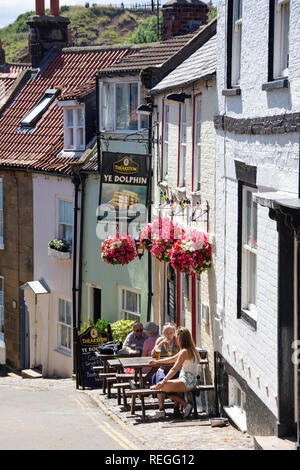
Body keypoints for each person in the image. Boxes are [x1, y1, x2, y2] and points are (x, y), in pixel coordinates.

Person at [149, 327, 200, 419]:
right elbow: (172, 359)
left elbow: (174, 369)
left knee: (162, 387)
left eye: (177, 337)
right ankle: (185, 405)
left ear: (180, 339)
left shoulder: (184, 352)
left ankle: (186, 405)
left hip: (187, 382)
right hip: (190, 381)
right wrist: (157, 362)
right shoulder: (191, 350)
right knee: (162, 386)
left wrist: (164, 381)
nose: (176, 339)